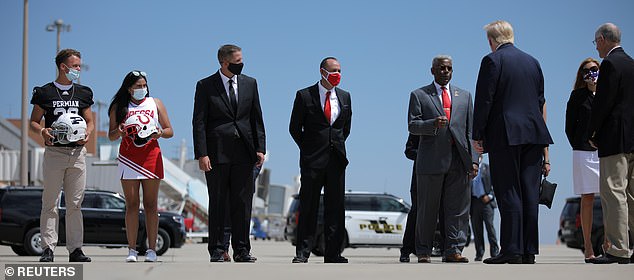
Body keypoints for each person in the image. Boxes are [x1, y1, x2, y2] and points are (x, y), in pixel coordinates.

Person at [472, 20, 553, 265]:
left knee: (508, 190)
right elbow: (541, 101)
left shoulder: (492, 60)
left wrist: (478, 135)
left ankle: (511, 250)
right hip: (534, 134)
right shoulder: (533, 62)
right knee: (529, 192)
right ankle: (528, 251)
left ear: (491, 41)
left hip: (505, 134)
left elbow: (485, 100)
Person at [192, 44, 266, 263]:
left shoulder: (250, 84)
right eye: (237, 61)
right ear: (224, 63)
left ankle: (242, 250)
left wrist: (260, 148)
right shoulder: (205, 85)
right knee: (219, 202)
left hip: (245, 151)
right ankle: (218, 249)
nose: (241, 64)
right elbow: (199, 122)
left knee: (242, 203)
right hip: (217, 153)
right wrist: (202, 154)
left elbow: (256, 118)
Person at [408, 55, 478, 263]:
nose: (445, 71)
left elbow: (471, 132)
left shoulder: (464, 96)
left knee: (457, 211)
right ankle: (423, 251)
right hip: (430, 163)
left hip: (459, 161)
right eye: (441, 68)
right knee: (427, 210)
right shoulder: (419, 95)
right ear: (432, 71)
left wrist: (474, 161)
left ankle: (454, 250)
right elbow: (412, 125)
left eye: (448, 68)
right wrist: (431, 124)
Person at [29, 49, 93, 263]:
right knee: (50, 202)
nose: (78, 70)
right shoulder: (44, 92)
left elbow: (90, 121)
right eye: (75, 66)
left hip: (77, 153)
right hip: (55, 152)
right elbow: (34, 121)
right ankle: (48, 248)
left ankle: (75, 250)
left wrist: (88, 134)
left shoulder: (83, 92)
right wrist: (42, 131)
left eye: (79, 66)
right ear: (63, 67)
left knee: (75, 204)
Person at [289, 57, 352, 263]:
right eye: (334, 70)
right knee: (308, 207)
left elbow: (345, 129)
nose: (337, 75)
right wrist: (309, 148)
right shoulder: (304, 95)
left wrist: (333, 144)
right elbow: (294, 128)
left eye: (340, 71)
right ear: (322, 72)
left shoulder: (345, 97)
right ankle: (303, 253)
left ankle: (333, 254)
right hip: (312, 161)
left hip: (336, 161)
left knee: (335, 208)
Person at [107, 70, 174, 262]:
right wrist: (119, 131)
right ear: (129, 88)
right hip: (128, 157)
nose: (142, 89)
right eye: (138, 86)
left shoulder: (156, 103)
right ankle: (132, 250)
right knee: (132, 204)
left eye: (144, 85)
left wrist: (159, 132)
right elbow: (111, 135)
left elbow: (170, 130)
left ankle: (151, 250)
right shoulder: (119, 106)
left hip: (151, 156)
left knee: (151, 205)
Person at [587, 23, 634, 265]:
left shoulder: (610, 65)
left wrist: (592, 132)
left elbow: (602, 104)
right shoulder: (631, 63)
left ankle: (618, 249)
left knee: (613, 193)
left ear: (604, 39)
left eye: (596, 42)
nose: (595, 46)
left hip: (615, 139)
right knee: (631, 196)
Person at [565, 58, 601, 262]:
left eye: (594, 69)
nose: (591, 73)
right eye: (586, 70)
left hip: (606, 153)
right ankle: (588, 245)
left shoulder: (608, 94)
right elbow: (569, 127)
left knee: (609, 200)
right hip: (583, 153)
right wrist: (580, 144)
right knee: (587, 198)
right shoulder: (577, 96)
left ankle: (609, 244)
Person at [470, 157, 499, 261]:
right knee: (477, 230)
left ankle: (495, 252)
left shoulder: (488, 168)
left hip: (487, 202)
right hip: (474, 202)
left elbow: (496, 184)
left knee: (490, 228)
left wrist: (490, 196)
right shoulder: (469, 170)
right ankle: (479, 253)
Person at [399, 134, 419, 262]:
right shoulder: (419, 128)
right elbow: (409, 151)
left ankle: (446, 250)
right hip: (420, 176)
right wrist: (426, 154)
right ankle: (406, 250)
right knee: (416, 212)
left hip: (443, 174)